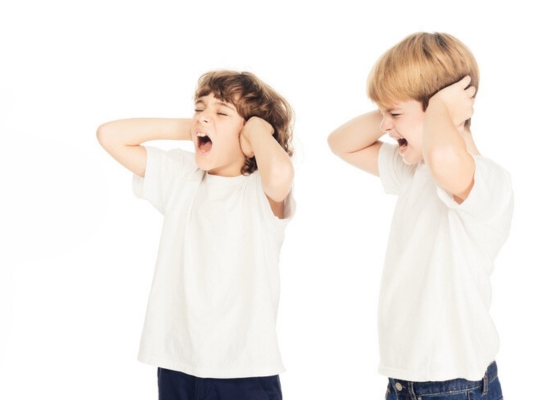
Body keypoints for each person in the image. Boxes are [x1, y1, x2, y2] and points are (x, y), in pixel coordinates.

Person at [328, 32, 513, 400]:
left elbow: (446, 157)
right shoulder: (416, 172)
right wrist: (398, 106)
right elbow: (340, 142)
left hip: (452, 385)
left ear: (446, 112)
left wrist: (441, 108)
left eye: (394, 114)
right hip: (407, 382)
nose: (384, 125)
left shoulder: (483, 179)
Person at [97, 70, 295, 400]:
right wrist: (192, 127)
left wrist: (259, 131)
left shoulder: (259, 191)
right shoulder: (182, 176)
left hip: (244, 370)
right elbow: (109, 135)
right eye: (199, 109)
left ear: (249, 136)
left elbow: (280, 173)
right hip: (178, 363)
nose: (204, 117)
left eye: (221, 112)